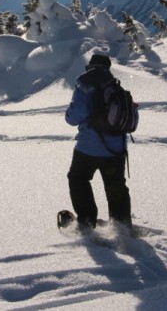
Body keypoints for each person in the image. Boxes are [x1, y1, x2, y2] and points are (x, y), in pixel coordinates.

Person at [65, 53, 133, 233]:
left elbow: (73, 118)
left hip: (88, 149)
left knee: (78, 179)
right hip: (116, 150)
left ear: (90, 67)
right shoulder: (116, 87)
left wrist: (69, 113)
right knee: (115, 184)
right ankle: (122, 225)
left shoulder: (85, 87)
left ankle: (87, 221)